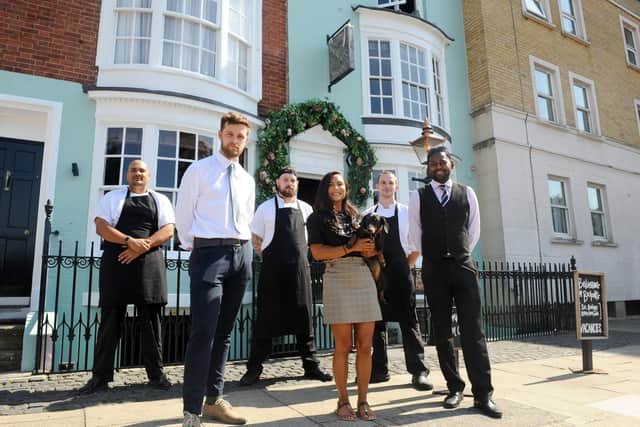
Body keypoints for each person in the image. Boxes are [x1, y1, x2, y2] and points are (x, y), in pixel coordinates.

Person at [408, 145, 503, 419]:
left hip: (463, 267)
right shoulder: (419, 196)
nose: (438, 166)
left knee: (473, 331)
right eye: (433, 163)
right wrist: (434, 255)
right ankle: (454, 387)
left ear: (451, 164)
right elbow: (415, 233)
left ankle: (483, 394)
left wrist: (460, 252)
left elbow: (474, 230)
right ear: (428, 167)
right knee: (441, 331)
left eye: (442, 162)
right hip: (435, 270)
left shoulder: (467, 193)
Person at [176, 112, 254, 426]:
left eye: (241, 137)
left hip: (241, 254)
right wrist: (193, 245)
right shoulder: (199, 170)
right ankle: (192, 410)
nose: (235, 141)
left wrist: (243, 250)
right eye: (231, 134)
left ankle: (214, 400)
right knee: (203, 333)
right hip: (209, 253)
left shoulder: (246, 179)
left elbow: (246, 218)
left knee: (223, 334)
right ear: (220, 135)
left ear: (246, 141)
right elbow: (183, 214)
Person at [79, 160, 175, 394]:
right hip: (116, 261)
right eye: (133, 170)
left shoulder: (161, 200)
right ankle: (100, 378)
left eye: (142, 170)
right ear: (127, 174)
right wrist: (128, 242)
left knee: (151, 322)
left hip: (149, 262)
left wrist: (143, 246)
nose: (138, 174)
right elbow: (101, 227)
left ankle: (156, 375)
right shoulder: (112, 198)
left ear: (149, 175)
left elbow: (168, 229)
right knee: (110, 321)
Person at [240, 167, 332, 386]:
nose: (289, 183)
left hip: (300, 272)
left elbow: (312, 241)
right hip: (273, 273)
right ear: (277, 184)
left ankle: (311, 367)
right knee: (265, 321)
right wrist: (272, 256)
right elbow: (256, 238)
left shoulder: (307, 209)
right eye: (285, 180)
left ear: (297, 184)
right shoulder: (265, 208)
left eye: (292, 180)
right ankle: (254, 369)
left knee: (304, 320)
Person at [307, 171, 382, 422]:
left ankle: (363, 400)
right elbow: (317, 253)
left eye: (340, 183)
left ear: (346, 187)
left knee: (365, 346)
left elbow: (366, 247)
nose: (336, 188)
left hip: (363, 276)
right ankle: (342, 400)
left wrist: (369, 248)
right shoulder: (316, 218)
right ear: (325, 189)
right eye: (331, 184)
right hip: (337, 277)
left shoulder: (356, 215)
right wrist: (351, 247)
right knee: (343, 346)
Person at [362, 170, 432, 391]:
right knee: (376, 323)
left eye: (390, 183)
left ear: (396, 187)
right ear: (377, 186)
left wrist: (402, 267)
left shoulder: (406, 213)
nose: (386, 186)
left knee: (409, 321)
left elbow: (415, 247)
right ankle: (379, 371)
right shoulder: (367, 214)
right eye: (382, 183)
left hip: (400, 270)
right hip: (375, 272)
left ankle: (419, 372)